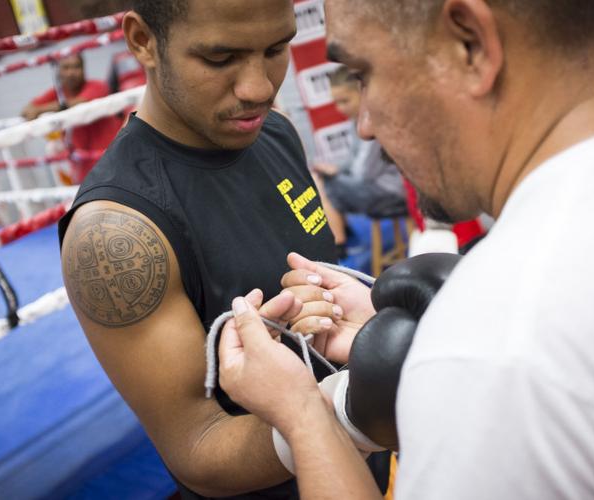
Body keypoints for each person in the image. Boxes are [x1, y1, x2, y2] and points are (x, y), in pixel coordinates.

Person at [217, 0, 594, 498]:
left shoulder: (501, 344)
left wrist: (304, 414)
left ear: (469, 45)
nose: (364, 124)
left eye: (364, 73)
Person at [58, 1, 390, 498]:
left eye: (276, 48)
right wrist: (353, 410)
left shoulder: (274, 130)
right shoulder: (114, 235)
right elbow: (199, 447)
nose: (257, 86)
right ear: (143, 41)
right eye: (219, 58)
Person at [312, 66, 408, 256]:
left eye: (345, 101)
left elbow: (362, 175)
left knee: (321, 183)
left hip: (396, 195)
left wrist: (335, 173)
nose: (340, 109)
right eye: (336, 103)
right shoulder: (357, 122)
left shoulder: (374, 124)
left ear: (362, 93)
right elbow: (353, 161)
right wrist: (335, 168)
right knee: (320, 177)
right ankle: (341, 237)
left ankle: (339, 244)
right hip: (380, 189)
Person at [22, 53, 123, 182]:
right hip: (84, 171)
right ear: (58, 71)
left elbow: (78, 103)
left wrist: (41, 110)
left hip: (113, 163)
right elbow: (26, 110)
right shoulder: (58, 93)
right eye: (66, 68)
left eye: (76, 67)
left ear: (83, 69)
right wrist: (39, 110)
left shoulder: (97, 86)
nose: (71, 73)